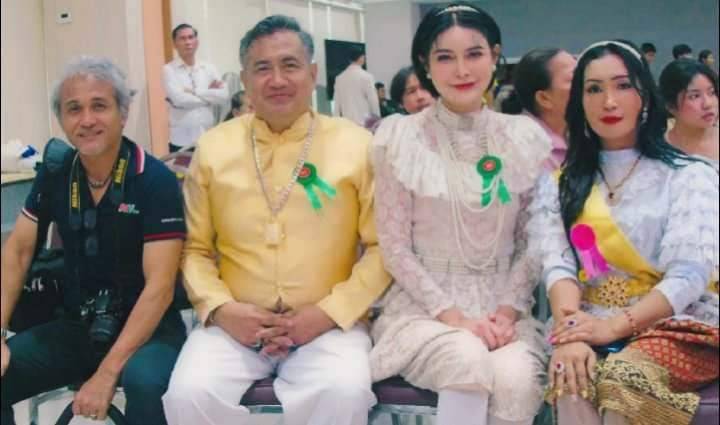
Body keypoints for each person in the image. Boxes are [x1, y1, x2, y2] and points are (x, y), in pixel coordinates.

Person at [161, 15, 392, 425]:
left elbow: (381, 248)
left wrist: (327, 313)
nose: (277, 80)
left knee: (344, 391)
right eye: (262, 68)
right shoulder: (213, 148)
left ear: (313, 74)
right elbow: (195, 250)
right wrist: (222, 309)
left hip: (328, 322)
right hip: (235, 324)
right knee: (188, 394)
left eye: (290, 65)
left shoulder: (357, 145)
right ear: (245, 81)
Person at [370, 3, 551, 425]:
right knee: (466, 357)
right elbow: (394, 246)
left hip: (504, 307)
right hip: (424, 308)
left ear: (495, 56)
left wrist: (507, 312)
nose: (462, 70)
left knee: (517, 380)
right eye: (445, 57)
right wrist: (454, 317)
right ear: (425, 64)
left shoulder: (522, 137)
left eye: (474, 54)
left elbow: (532, 241)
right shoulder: (400, 137)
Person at [530, 40, 719, 425]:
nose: (609, 102)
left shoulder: (687, 175)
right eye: (594, 89)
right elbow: (558, 267)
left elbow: (688, 274)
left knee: (623, 379)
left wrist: (613, 328)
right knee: (571, 378)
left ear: (643, 95)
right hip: (588, 317)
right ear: (580, 102)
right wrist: (572, 333)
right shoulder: (559, 185)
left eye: (622, 85)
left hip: (677, 324)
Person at [0, 56, 187, 425]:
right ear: (61, 118)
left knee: (146, 385)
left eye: (99, 106)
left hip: (148, 330)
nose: (87, 120)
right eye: (74, 109)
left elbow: (160, 287)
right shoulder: (56, 173)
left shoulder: (155, 180)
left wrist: (106, 373)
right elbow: (18, 252)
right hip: (77, 325)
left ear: (123, 112)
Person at [501, 48, 577, 170]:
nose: (587, 84)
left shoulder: (579, 133)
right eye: (575, 79)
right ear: (544, 98)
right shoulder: (522, 149)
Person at [163, 23, 229, 152]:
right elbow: (179, 100)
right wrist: (209, 97)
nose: (188, 42)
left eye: (191, 37)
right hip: (182, 139)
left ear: (197, 41)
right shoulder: (169, 70)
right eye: (182, 38)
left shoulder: (209, 68)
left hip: (207, 136)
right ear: (175, 44)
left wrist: (195, 92)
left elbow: (223, 96)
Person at [661, 59, 719, 169]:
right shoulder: (660, 150)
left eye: (711, 93)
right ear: (670, 106)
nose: (708, 104)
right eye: (694, 96)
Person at [333, 46, 381, 125]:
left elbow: (337, 105)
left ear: (349, 59)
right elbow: (373, 102)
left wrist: (337, 125)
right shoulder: (367, 77)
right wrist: (377, 124)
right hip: (364, 125)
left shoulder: (339, 78)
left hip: (347, 125)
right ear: (361, 58)